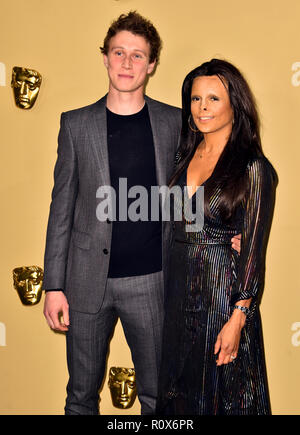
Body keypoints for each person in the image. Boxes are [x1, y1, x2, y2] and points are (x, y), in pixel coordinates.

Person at [42, 12, 240, 415]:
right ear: (105, 58)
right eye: (119, 53)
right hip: (84, 285)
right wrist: (53, 284)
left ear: (151, 64)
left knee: (158, 397)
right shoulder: (75, 125)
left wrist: (228, 230)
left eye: (138, 55)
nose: (127, 63)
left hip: (153, 283)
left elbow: (205, 174)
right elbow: (61, 208)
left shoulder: (175, 122)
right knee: (79, 398)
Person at [156, 59, 277, 415]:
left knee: (224, 398)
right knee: (177, 401)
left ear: (234, 105)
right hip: (177, 297)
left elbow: (253, 253)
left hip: (222, 298)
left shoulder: (253, 168)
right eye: (195, 99)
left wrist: (239, 317)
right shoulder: (182, 156)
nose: (202, 108)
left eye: (213, 98)